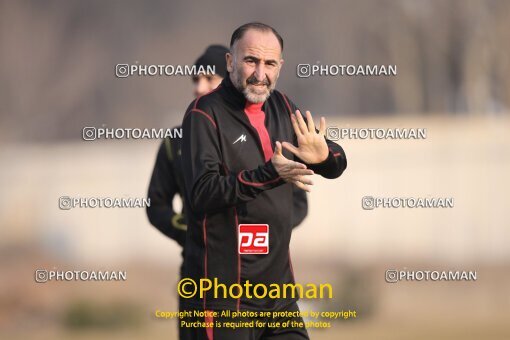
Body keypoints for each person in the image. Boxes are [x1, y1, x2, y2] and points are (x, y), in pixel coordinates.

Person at [180, 23, 347, 340]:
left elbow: (336, 163)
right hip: (225, 297)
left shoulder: (284, 107)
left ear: (280, 66)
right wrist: (270, 174)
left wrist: (324, 155)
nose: (260, 74)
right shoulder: (204, 114)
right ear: (230, 62)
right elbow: (202, 193)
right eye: (251, 61)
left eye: (270, 64)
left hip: (279, 296)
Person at [146, 43, 309, 339]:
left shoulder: (265, 129)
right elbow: (156, 205)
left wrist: (263, 234)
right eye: (195, 80)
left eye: (208, 79)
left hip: (264, 276)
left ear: (229, 78)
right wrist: (191, 230)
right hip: (203, 274)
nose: (199, 86)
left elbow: (297, 201)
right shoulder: (176, 140)